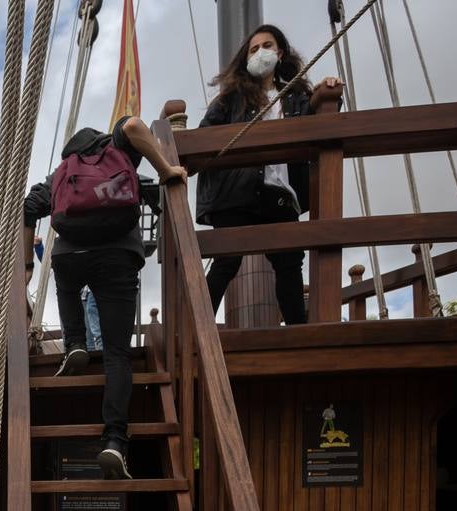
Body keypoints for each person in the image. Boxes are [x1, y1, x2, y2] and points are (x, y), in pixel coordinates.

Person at [24, 116, 186, 479]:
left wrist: (25, 266)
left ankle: (76, 343)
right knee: (116, 353)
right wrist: (166, 169)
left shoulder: (63, 172)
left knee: (66, 283)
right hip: (117, 255)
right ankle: (114, 440)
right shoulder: (117, 148)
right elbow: (133, 126)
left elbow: (28, 207)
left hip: (71, 255)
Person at [197, 24, 342, 325]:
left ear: (280, 52)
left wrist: (328, 92)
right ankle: (198, 328)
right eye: (253, 49)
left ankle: (298, 335)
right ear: (245, 58)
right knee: (226, 259)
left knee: (289, 263)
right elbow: (204, 135)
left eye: (266, 46)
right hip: (236, 192)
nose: (260, 53)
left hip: (278, 192)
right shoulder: (231, 99)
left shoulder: (296, 96)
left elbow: (317, 123)